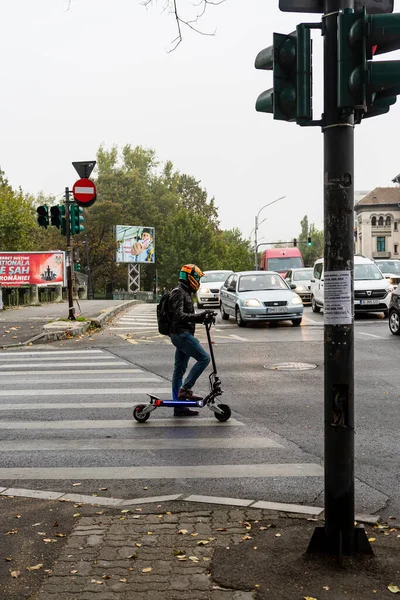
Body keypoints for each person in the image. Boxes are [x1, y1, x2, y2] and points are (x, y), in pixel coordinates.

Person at [168, 264, 212, 417]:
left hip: (182, 334)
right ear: (190, 277)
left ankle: (179, 407)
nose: (198, 281)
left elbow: (185, 317)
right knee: (204, 358)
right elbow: (178, 316)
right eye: (198, 277)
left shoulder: (185, 292)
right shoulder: (178, 293)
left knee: (178, 371)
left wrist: (202, 318)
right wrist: (199, 316)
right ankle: (185, 390)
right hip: (181, 335)